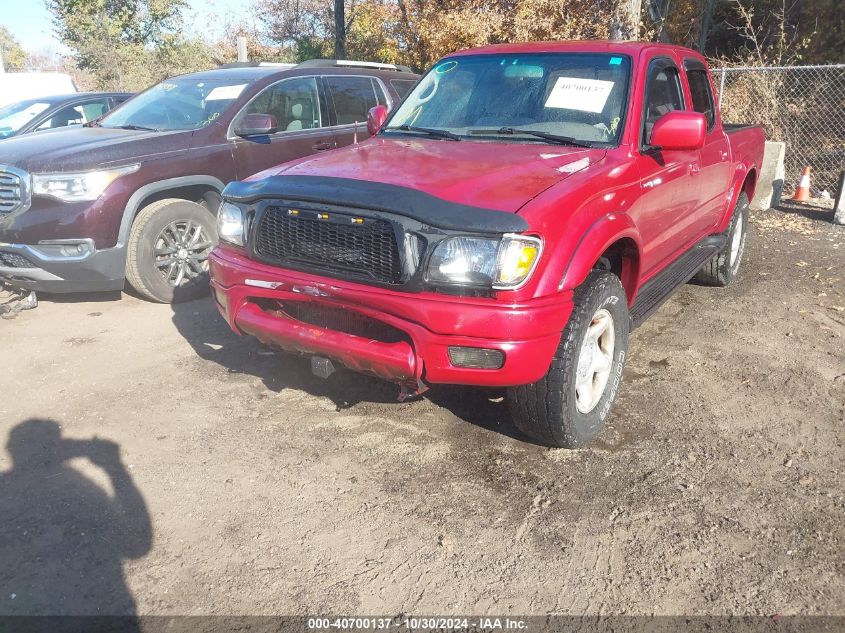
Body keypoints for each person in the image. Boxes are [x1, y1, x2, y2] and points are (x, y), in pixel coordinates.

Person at [0, 419, 152, 623]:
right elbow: (136, 546)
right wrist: (116, 470)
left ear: (11, 450)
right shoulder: (81, 492)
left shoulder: (7, 491)